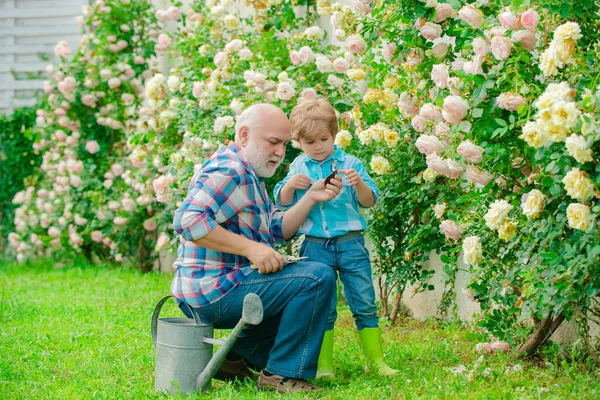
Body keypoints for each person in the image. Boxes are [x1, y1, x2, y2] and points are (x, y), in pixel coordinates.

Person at [171, 103, 343, 394]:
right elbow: (188, 221)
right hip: (212, 290)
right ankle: (280, 375)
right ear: (244, 134)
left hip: (224, 285)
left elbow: (276, 227)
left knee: (301, 280)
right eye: (273, 142)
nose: (280, 152)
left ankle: (233, 358)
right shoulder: (230, 170)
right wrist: (252, 249)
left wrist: (311, 198)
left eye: (285, 144)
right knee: (315, 278)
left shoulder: (250, 172)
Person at [274, 98, 398, 379]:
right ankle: (323, 366)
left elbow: (369, 201)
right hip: (315, 246)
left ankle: (375, 361)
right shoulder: (298, 167)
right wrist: (291, 185)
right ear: (298, 142)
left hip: (351, 243)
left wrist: (360, 183)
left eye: (323, 139)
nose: (317, 146)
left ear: (334, 132)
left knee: (364, 301)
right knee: (323, 306)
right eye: (309, 142)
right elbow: (281, 202)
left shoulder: (350, 163)